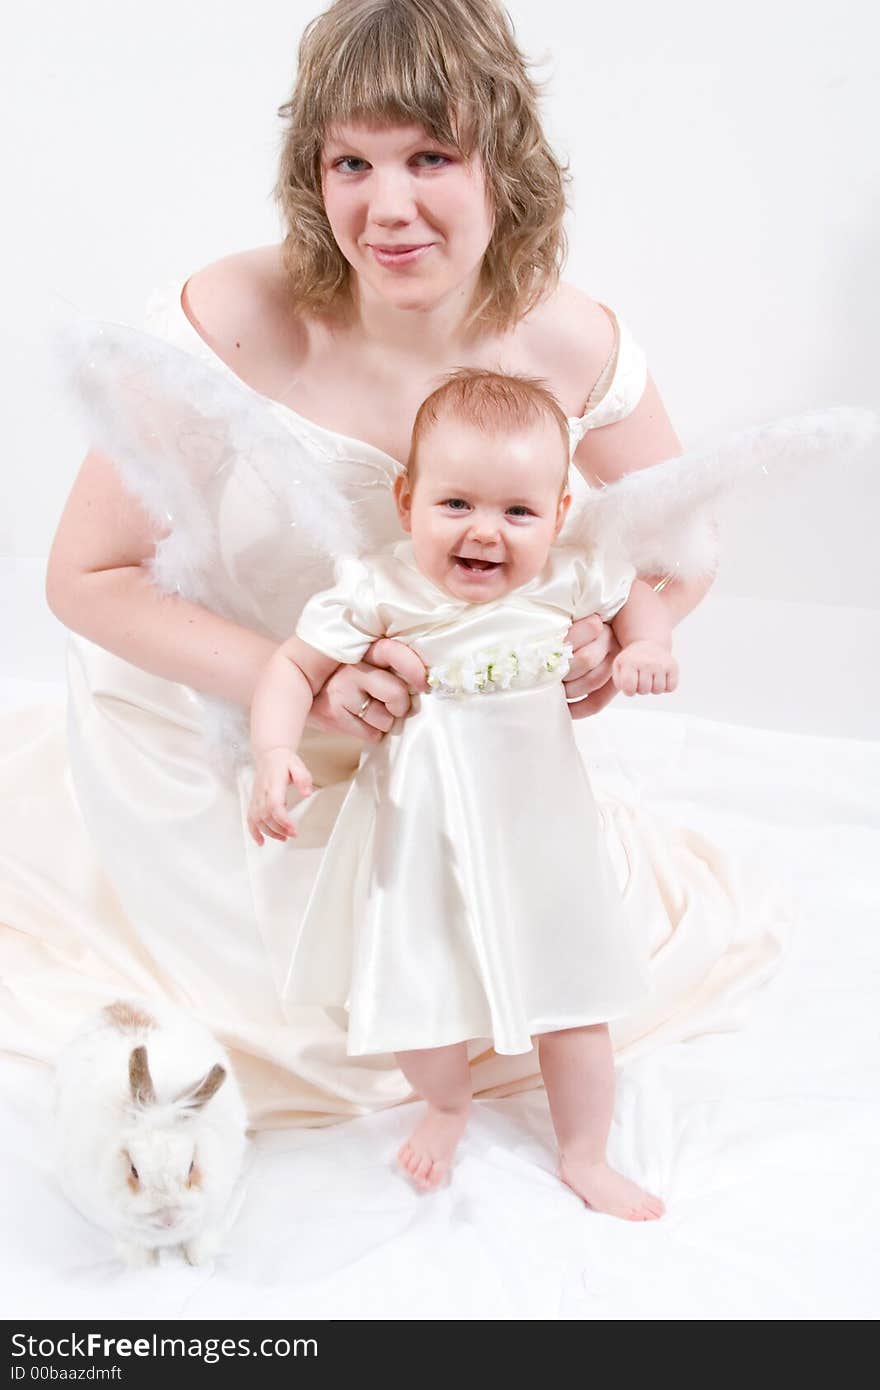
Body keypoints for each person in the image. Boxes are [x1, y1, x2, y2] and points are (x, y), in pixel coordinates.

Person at [12, 0, 784, 1128]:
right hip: (236, 735)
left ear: (502, 162)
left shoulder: (568, 338)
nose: (386, 208)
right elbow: (82, 578)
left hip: (459, 746)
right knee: (328, 1023)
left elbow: (687, 539)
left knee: (566, 972)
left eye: (431, 155)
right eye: (350, 161)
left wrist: (619, 636)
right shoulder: (228, 320)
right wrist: (305, 679)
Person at [248, 366, 676, 1218]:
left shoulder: (569, 577)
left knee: (575, 996)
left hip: (542, 831)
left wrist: (645, 649)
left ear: (557, 516)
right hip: (421, 834)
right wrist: (273, 750)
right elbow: (292, 665)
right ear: (407, 500)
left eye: (518, 511)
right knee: (420, 993)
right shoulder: (381, 586)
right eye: (457, 505)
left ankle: (586, 1151)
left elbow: (641, 603)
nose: (487, 532)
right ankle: (447, 1104)